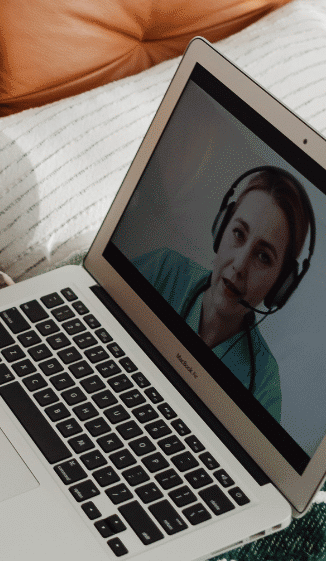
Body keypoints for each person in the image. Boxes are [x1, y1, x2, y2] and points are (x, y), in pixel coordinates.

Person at [133, 167, 315, 423]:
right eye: (238, 234)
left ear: (280, 286)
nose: (240, 265)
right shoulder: (164, 270)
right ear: (221, 228)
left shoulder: (264, 383)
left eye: (263, 256)